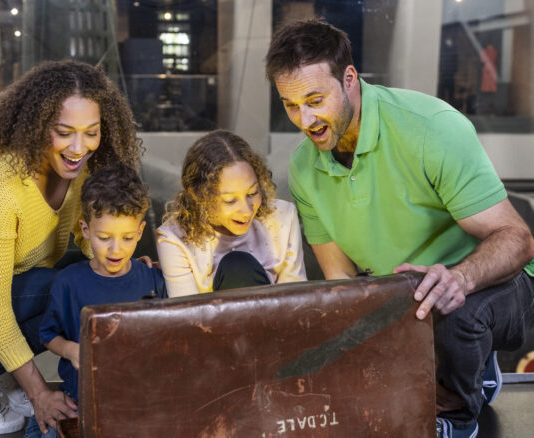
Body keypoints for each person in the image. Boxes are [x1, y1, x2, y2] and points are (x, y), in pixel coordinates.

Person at [266, 19, 534, 438]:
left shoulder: (430, 127)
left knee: (452, 311)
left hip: (492, 284)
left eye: (315, 99)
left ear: (349, 79)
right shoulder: (304, 168)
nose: (305, 119)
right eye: (290, 104)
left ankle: (457, 414)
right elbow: (342, 283)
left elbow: (517, 239)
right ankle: (459, 367)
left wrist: (459, 279)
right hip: (402, 295)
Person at [0, 60, 142, 435]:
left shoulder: (79, 167)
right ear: (36, 124)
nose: (79, 147)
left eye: (91, 132)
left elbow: (88, 237)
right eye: (63, 132)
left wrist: (125, 263)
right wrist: (39, 393)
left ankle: (11, 380)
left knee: (90, 277)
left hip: (17, 276)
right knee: (63, 287)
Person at [24, 163, 167, 437]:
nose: (116, 249)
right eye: (104, 238)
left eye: (127, 238)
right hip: (79, 401)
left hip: (138, 402)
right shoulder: (68, 282)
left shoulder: (152, 278)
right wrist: (69, 350)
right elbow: (48, 335)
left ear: (139, 232)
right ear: (86, 230)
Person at [156, 130, 306, 298]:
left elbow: (295, 301)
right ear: (197, 194)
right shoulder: (174, 239)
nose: (247, 210)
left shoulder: (283, 217)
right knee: (237, 266)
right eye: (230, 200)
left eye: (252, 193)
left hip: (275, 320)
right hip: (208, 322)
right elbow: (187, 314)